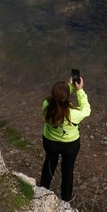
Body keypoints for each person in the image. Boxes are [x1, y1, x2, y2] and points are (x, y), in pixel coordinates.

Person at [39, 73, 90, 203]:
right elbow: (86, 109)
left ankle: (43, 189)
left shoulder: (46, 105)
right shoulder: (73, 114)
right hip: (70, 145)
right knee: (68, 169)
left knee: (49, 164)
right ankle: (66, 196)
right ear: (66, 98)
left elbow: (58, 98)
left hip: (50, 142)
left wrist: (70, 87)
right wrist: (79, 91)